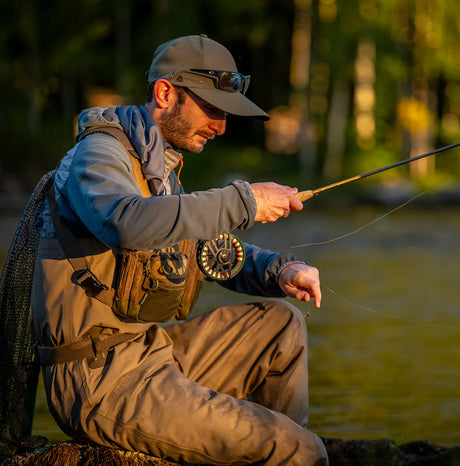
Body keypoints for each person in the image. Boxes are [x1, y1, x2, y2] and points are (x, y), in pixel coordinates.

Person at [31, 34, 328, 465]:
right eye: (212, 109)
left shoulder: (159, 166)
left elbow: (204, 249)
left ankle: (272, 447)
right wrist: (244, 201)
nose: (221, 126)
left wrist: (278, 271)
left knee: (282, 326)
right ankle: (286, 451)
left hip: (151, 352)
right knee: (304, 450)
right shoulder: (98, 155)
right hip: (100, 383)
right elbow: (125, 222)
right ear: (165, 93)